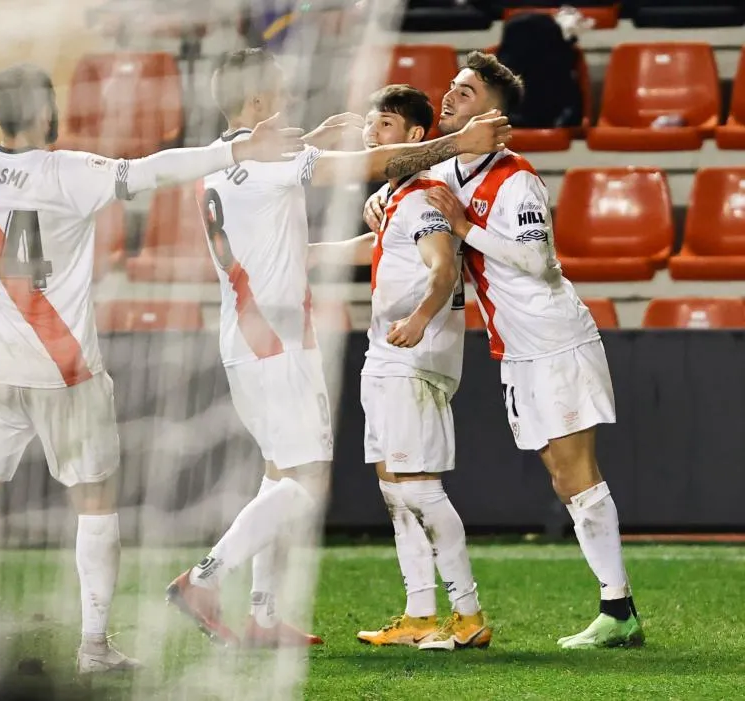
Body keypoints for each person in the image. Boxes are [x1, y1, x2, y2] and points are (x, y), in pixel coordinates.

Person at [0, 63, 308, 674]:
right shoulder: (71, 172)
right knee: (96, 505)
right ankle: (94, 648)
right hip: (66, 372)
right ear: (46, 111)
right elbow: (154, 171)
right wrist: (231, 147)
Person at [165, 48, 512, 647]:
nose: (286, 100)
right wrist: (461, 143)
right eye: (277, 92)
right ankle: (203, 578)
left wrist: (316, 135)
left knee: (279, 475)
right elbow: (376, 160)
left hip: (242, 335)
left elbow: (282, 154)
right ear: (256, 102)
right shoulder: (277, 160)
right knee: (306, 482)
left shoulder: (218, 162)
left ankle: (264, 616)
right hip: (278, 339)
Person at [364, 52, 644, 649]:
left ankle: (618, 609)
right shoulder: (447, 176)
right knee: (561, 479)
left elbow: (540, 261)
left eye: (464, 94)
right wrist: (383, 205)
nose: (448, 99)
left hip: (554, 339)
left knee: (578, 477)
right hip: (516, 348)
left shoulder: (516, 177)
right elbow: (400, 174)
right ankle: (617, 607)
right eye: (451, 90)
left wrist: (466, 228)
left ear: (492, 112)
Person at [309, 84, 488, 651]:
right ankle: (417, 614)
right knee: (394, 489)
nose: (371, 134)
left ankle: (468, 613)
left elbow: (442, 269)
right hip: (385, 356)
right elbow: (387, 247)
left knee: (419, 487)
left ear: (415, 137)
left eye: (384, 125)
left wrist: (416, 320)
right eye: (370, 124)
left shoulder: (423, 195)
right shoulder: (399, 197)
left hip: (411, 357)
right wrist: (316, 253)